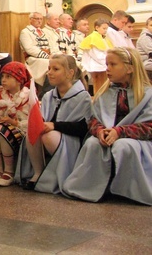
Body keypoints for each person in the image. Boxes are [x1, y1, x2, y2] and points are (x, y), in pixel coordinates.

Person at [63, 47, 152, 205]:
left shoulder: (147, 93)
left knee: (123, 146)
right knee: (92, 143)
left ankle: (128, 192)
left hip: (139, 140)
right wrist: (100, 131)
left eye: (113, 64)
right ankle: (94, 189)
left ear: (130, 68)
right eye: (106, 64)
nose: (107, 68)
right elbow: (92, 118)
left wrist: (120, 131)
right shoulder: (105, 92)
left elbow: (149, 126)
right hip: (109, 134)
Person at [15, 54, 91, 193]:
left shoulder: (82, 97)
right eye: (49, 68)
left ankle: (55, 176)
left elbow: (83, 128)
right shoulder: (49, 95)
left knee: (48, 135)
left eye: (55, 69)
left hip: (72, 141)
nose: (49, 72)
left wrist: (55, 125)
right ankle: (38, 173)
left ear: (70, 73)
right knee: (33, 132)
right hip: (52, 136)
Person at [0, 62, 34, 187]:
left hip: (23, 131)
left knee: (2, 131)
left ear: (19, 80)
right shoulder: (1, 97)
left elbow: (33, 121)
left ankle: (9, 171)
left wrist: (15, 123)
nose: (3, 80)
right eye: (2, 77)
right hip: (4, 129)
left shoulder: (28, 97)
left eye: (8, 77)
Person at [19, 12, 56, 90]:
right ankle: (45, 92)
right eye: (37, 19)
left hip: (46, 58)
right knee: (50, 64)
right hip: (33, 59)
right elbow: (29, 49)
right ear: (30, 20)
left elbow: (51, 46)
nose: (39, 21)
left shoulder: (43, 32)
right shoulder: (25, 32)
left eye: (41, 19)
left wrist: (54, 55)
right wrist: (47, 56)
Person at [78, 18, 113, 95]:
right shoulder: (92, 38)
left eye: (107, 29)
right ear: (97, 27)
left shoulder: (103, 38)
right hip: (97, 67)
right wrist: (108, 62)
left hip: (104, 65)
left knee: (105, 87)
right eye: (104, 28)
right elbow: (96, 55)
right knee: (99, 88)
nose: (106, 30)